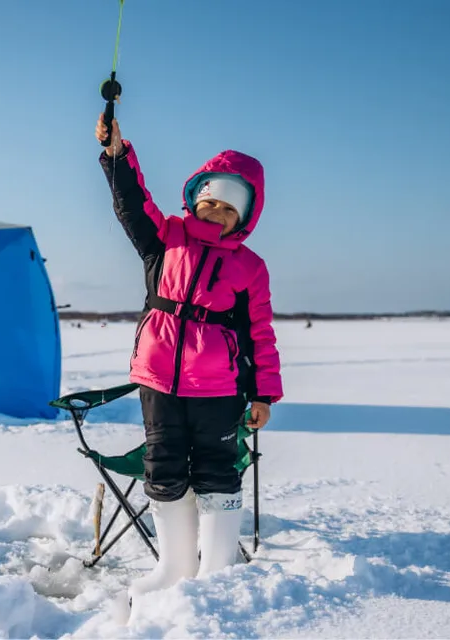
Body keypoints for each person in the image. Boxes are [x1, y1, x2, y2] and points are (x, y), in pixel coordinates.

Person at [95, 115, 284, 606]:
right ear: (195, 196)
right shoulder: (167, 237)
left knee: (219, 469)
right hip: (158, 378)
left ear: (245, 215)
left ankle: (217, 570)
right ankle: (175, 567)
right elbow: (132, 205)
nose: (217, 210)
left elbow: (260, 334)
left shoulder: (249, 266)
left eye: (229, 207)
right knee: (163, 466)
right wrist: (118, 155)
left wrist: (263, 393)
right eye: (211, 199)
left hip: (219, 388)